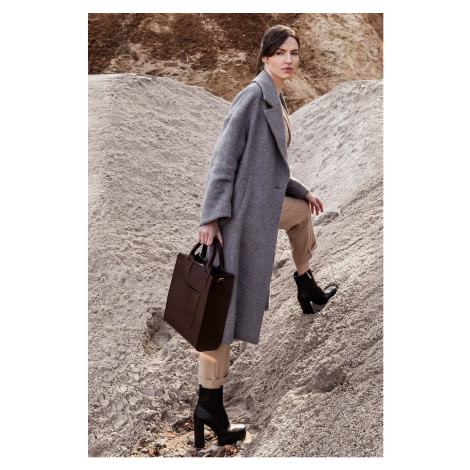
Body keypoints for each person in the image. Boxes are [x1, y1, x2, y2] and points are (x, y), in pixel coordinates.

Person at [193, 25, 337, 449]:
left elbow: (270, 163)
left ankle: (306, 284)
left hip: (263, 207)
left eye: (294, 53)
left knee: (302, 214)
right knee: (222, 307)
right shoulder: (253, 96)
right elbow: (224, 158)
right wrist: (211, 217)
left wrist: (300, 190)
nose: (288, 60)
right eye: (280, 53)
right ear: (265, 57)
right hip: (238, 217)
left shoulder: (276, 96)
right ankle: (209, 404)